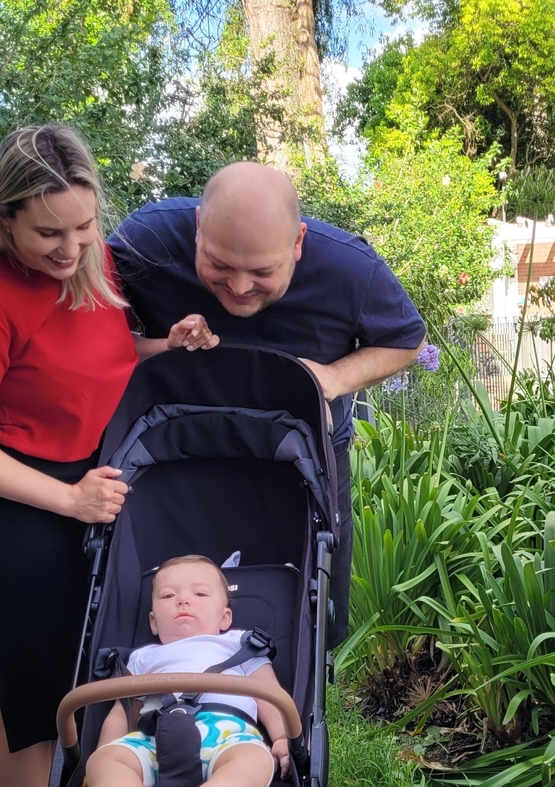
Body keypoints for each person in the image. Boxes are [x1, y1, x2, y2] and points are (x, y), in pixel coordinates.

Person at [0, 125, 219, 787]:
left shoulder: (92, 262)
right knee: (27, 697)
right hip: (14, 516)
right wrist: (69, 498)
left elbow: (98, 364)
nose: (72, 245)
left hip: (91, 492)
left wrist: (168, 345)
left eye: (84, 225)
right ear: (5, 218)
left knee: (89, 677)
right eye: (49, 233)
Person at [107, 162, 426, 648]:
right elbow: (91, 337)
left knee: (315, 612)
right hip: (174, 454)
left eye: (262, 271)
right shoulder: (142, 244)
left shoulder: (351, 270)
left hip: (303, 454)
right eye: (218, 265)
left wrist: (333, 377)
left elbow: (407, 338)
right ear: (198, 229)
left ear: (298, 243)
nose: (238, 287)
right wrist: (158, 344)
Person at [87, 555, 290, 787]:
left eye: (200, 594)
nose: (182, 600)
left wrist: (283, 737)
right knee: (105, 762)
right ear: (153, 622)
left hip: (225, 733)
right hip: (153, 736)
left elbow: (269, 693)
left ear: (224, 618)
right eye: (168, 595)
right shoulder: (142, 657)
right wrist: (104, 750)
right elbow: (122, 712)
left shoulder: (240, 645)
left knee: (252, 760)